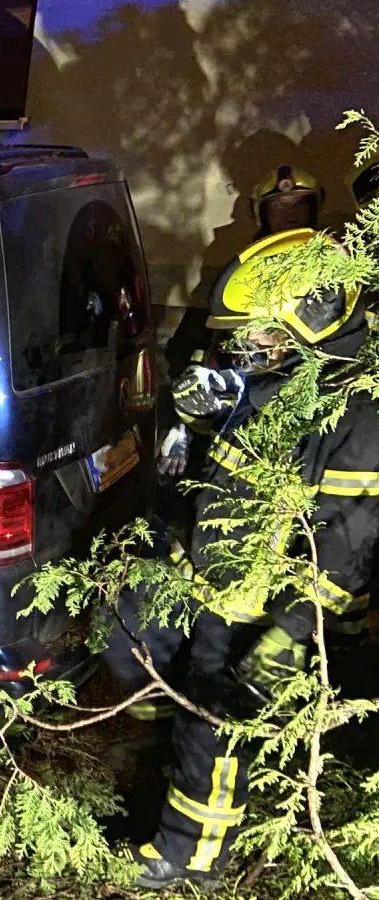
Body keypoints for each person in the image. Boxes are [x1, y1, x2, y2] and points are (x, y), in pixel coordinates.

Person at [104, 227, 379, 890]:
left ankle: (192, 855)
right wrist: (201, 419)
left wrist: (288, 636)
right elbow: (213, 482)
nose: (239, 347)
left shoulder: (359, 419)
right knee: (130, 631)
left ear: (305, 324)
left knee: (213, 719)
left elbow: (346, 547)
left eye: (254, 334)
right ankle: (185, 754)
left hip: (273, 611)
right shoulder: (277, 388)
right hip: (212, 582)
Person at [154, 167, 328, 524]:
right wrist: (181, 422)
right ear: (261, 214)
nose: (291, 214)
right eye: (279, 207)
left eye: (300, 205)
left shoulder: (331, 264)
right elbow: (207, 335)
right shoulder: (244, 264)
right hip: (242, 393)